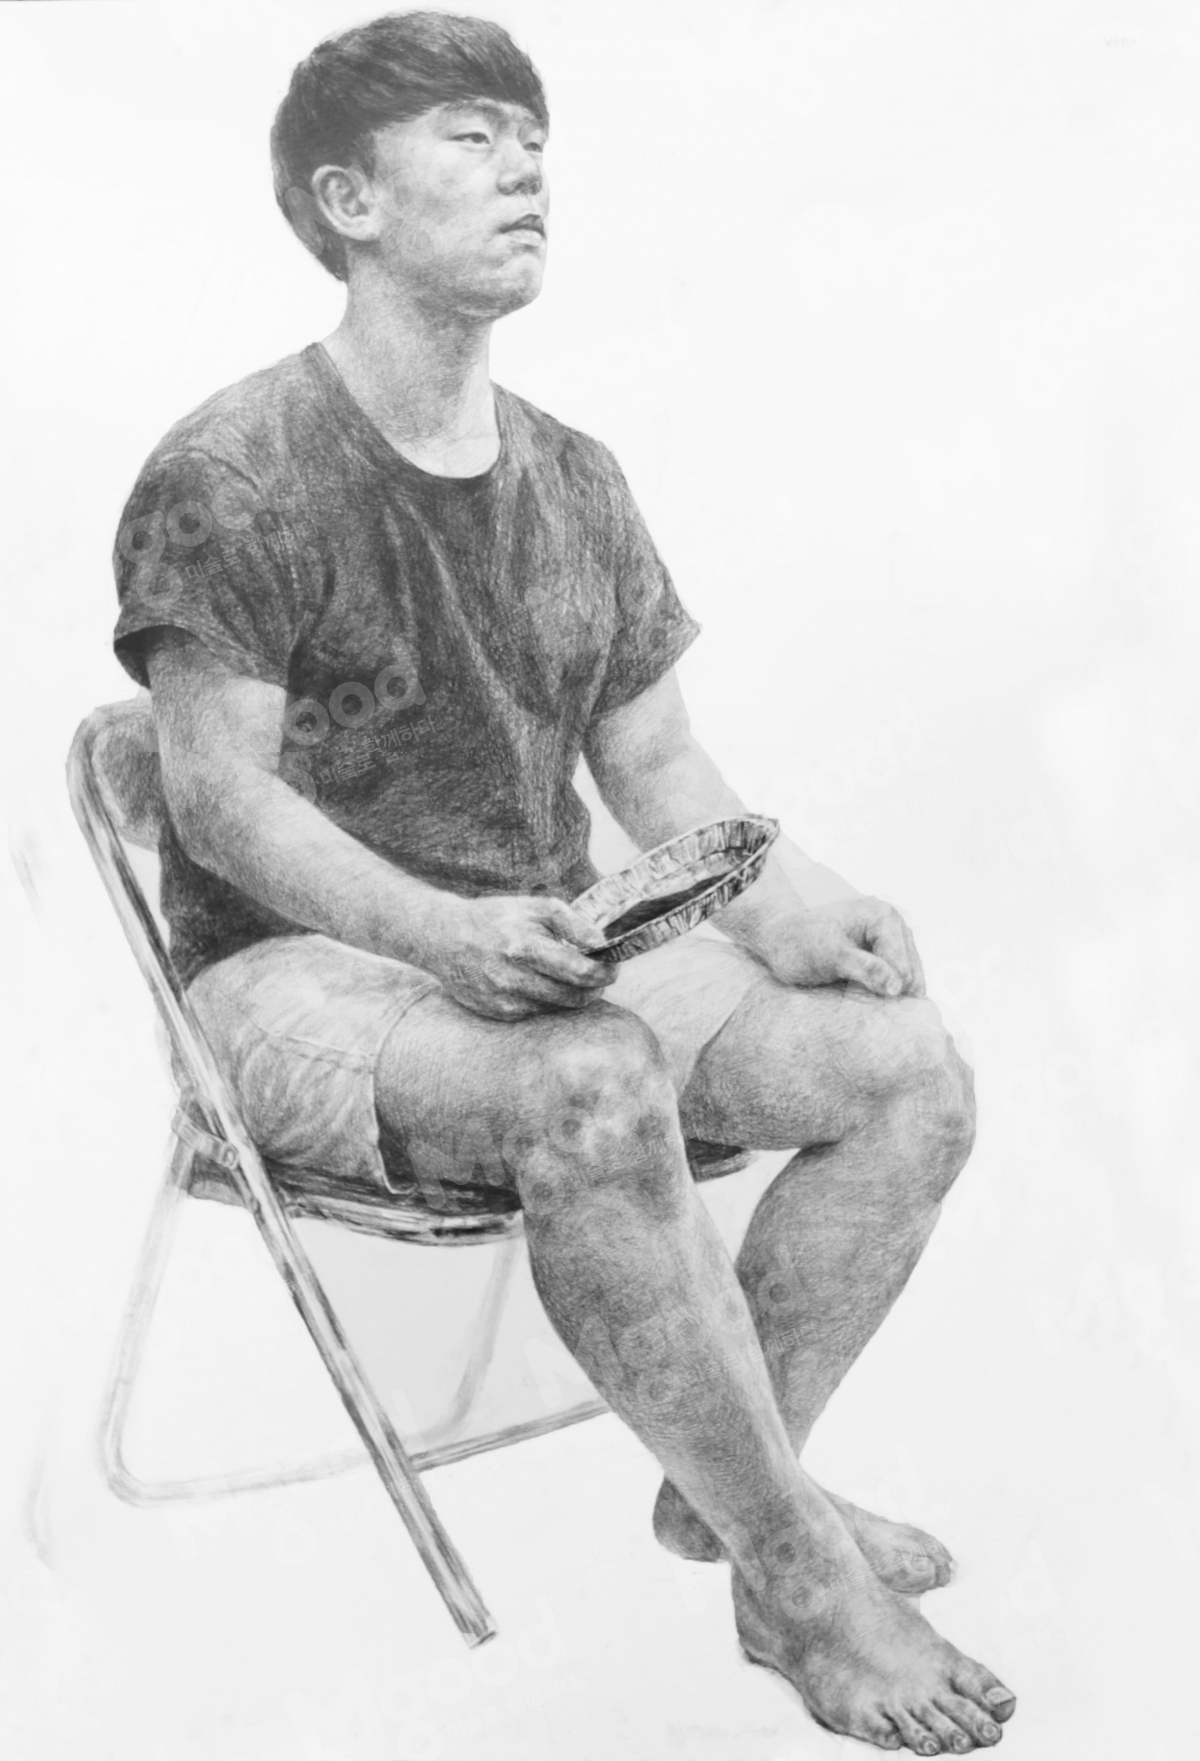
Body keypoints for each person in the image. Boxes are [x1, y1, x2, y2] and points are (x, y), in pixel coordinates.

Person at [111, 13, 1015, 1753]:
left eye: (534, 138)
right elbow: (218, 806)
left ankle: (742, 1499)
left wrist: (798, 903)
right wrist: (438, 931)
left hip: (542, 955)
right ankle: (803, 1576)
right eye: (472, 135)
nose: (527, 168)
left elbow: (657, 769)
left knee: (906, 1066)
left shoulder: (574, 477)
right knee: (594, 1082)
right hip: (298, 980)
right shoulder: (235, 470)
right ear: (349, 201)